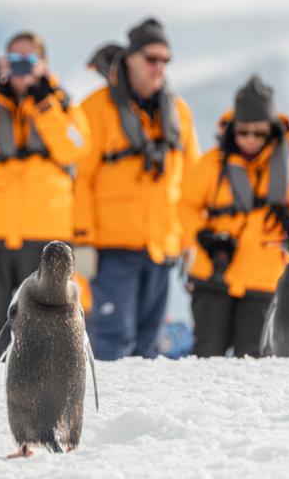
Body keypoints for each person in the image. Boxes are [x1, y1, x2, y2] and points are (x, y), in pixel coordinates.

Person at [0, 31, 91, 365]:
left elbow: (76, 147)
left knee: (48, 327)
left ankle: (45, 399)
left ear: (44, 64)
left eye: (29, 61)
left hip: (45, 232)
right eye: (14, 60)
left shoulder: (62, 104)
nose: (21, 69)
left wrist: (44, 103)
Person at [75, 18, 200, 361]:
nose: (158, 67)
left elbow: (192, 185)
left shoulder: (179, 114)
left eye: (165, 60)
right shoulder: (95, 109)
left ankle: (140, 413)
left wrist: (190, 241)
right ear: (130, 57)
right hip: (111, 249)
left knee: (149, 341)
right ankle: (104, 412)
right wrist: (82, 239)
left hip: (161, 248)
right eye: (151, 58)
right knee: (112, 336)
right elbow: (80, 180)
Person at [179, 75, 289, 357]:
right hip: (213, 273)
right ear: (233, 129)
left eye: (259, 133)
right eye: (243, 132)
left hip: (264, 278)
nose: (250, 140)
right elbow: (184, 206)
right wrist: (202, 235)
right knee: (207, 356)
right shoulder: (213, 163)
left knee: (253, 359)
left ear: (271, 129)